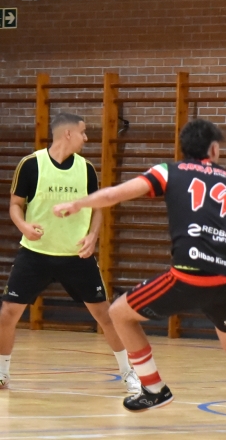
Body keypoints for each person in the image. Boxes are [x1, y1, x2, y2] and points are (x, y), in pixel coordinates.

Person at [52, 119, 226, 435]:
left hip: (188, 275)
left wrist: (77, 203)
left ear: (184, 148)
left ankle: (154, 389)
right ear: (214, 149)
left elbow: (116, 194)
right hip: (225, 282)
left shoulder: (169, 171)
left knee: (118, 313)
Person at [0, 112, 138, 393]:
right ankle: (2, 373)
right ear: (67, 134)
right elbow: (15, 204)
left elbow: (97, 207)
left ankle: (129, 373)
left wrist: (93, 236)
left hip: (77, 257)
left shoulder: (86, 169)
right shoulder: (30, 164)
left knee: (106, 316)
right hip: (35, 254)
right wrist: (24, 226)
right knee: (7, 314)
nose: (86, 138)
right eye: (83, 132)